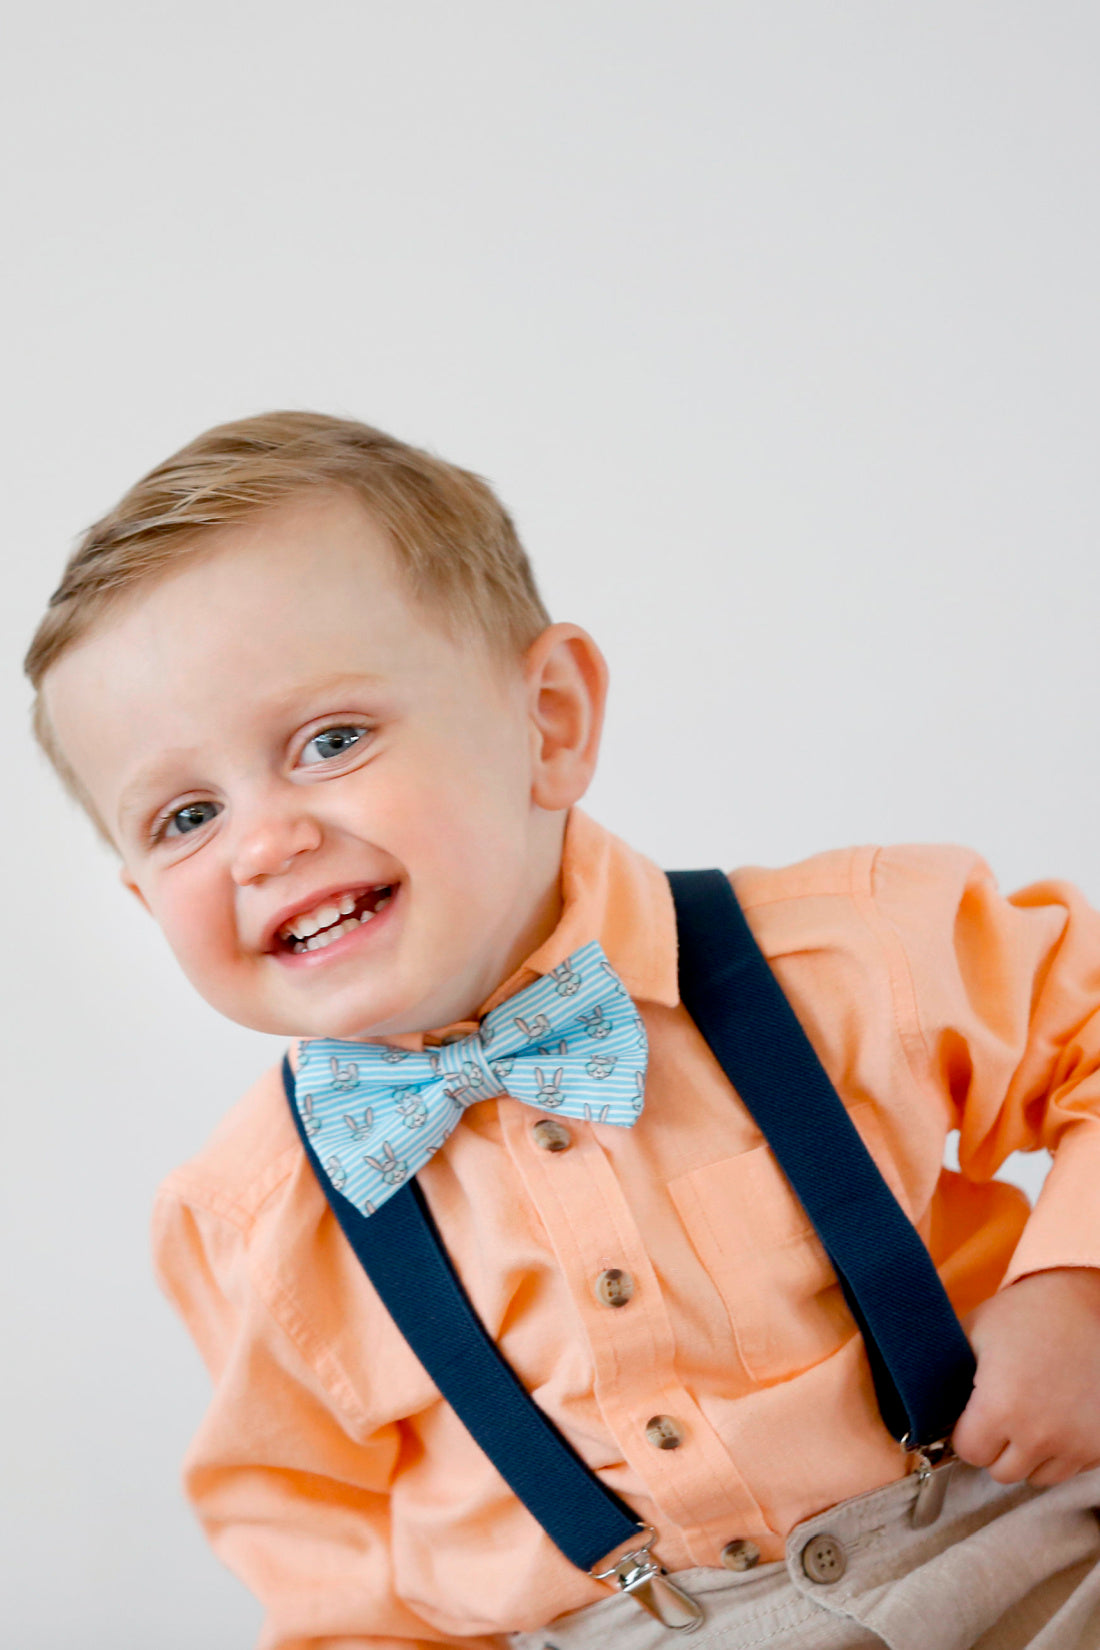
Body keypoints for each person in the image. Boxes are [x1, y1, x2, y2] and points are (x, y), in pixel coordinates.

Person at [24, 410, 1100, 1650]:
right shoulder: (248, 1220)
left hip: (1013, 1536)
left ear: (548, 719)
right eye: (185, 817)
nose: (265, 844)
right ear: (141, 896)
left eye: (330, 742)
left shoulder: (849, 950)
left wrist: (1074, 1284)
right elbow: (324, 1556)